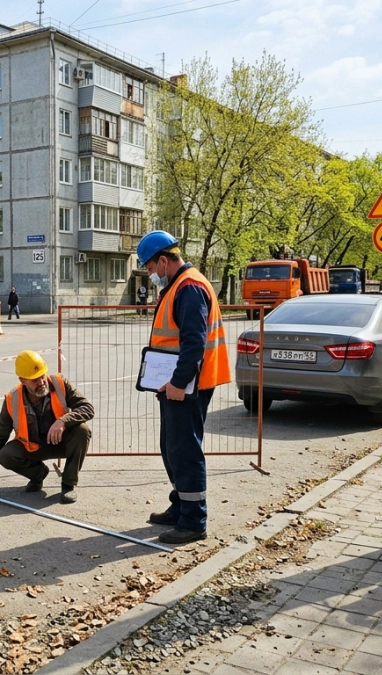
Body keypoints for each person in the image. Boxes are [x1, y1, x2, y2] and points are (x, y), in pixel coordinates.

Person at [138, 230, 232, 545]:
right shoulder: (180, 284)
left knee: (185, 450)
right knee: (172, 447)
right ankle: (181, 505)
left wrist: (177, 383)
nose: (150, 274)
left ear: (163, 261)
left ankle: (193, 521)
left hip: (190, 384)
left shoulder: (189, 287)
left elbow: (194, 342)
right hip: (177, 383)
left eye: (150, 268)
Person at [0, 350, 94, 504]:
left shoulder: (59, 383)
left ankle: (68, 485)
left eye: (42, 376)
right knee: (6, 454)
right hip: (33, 448)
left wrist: (63, 421)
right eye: (35, 380)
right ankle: (38, 474)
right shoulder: (12, 399)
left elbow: (87, 408)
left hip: (62, 443)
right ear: (22, 380)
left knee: (82, 430)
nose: (42, 382)